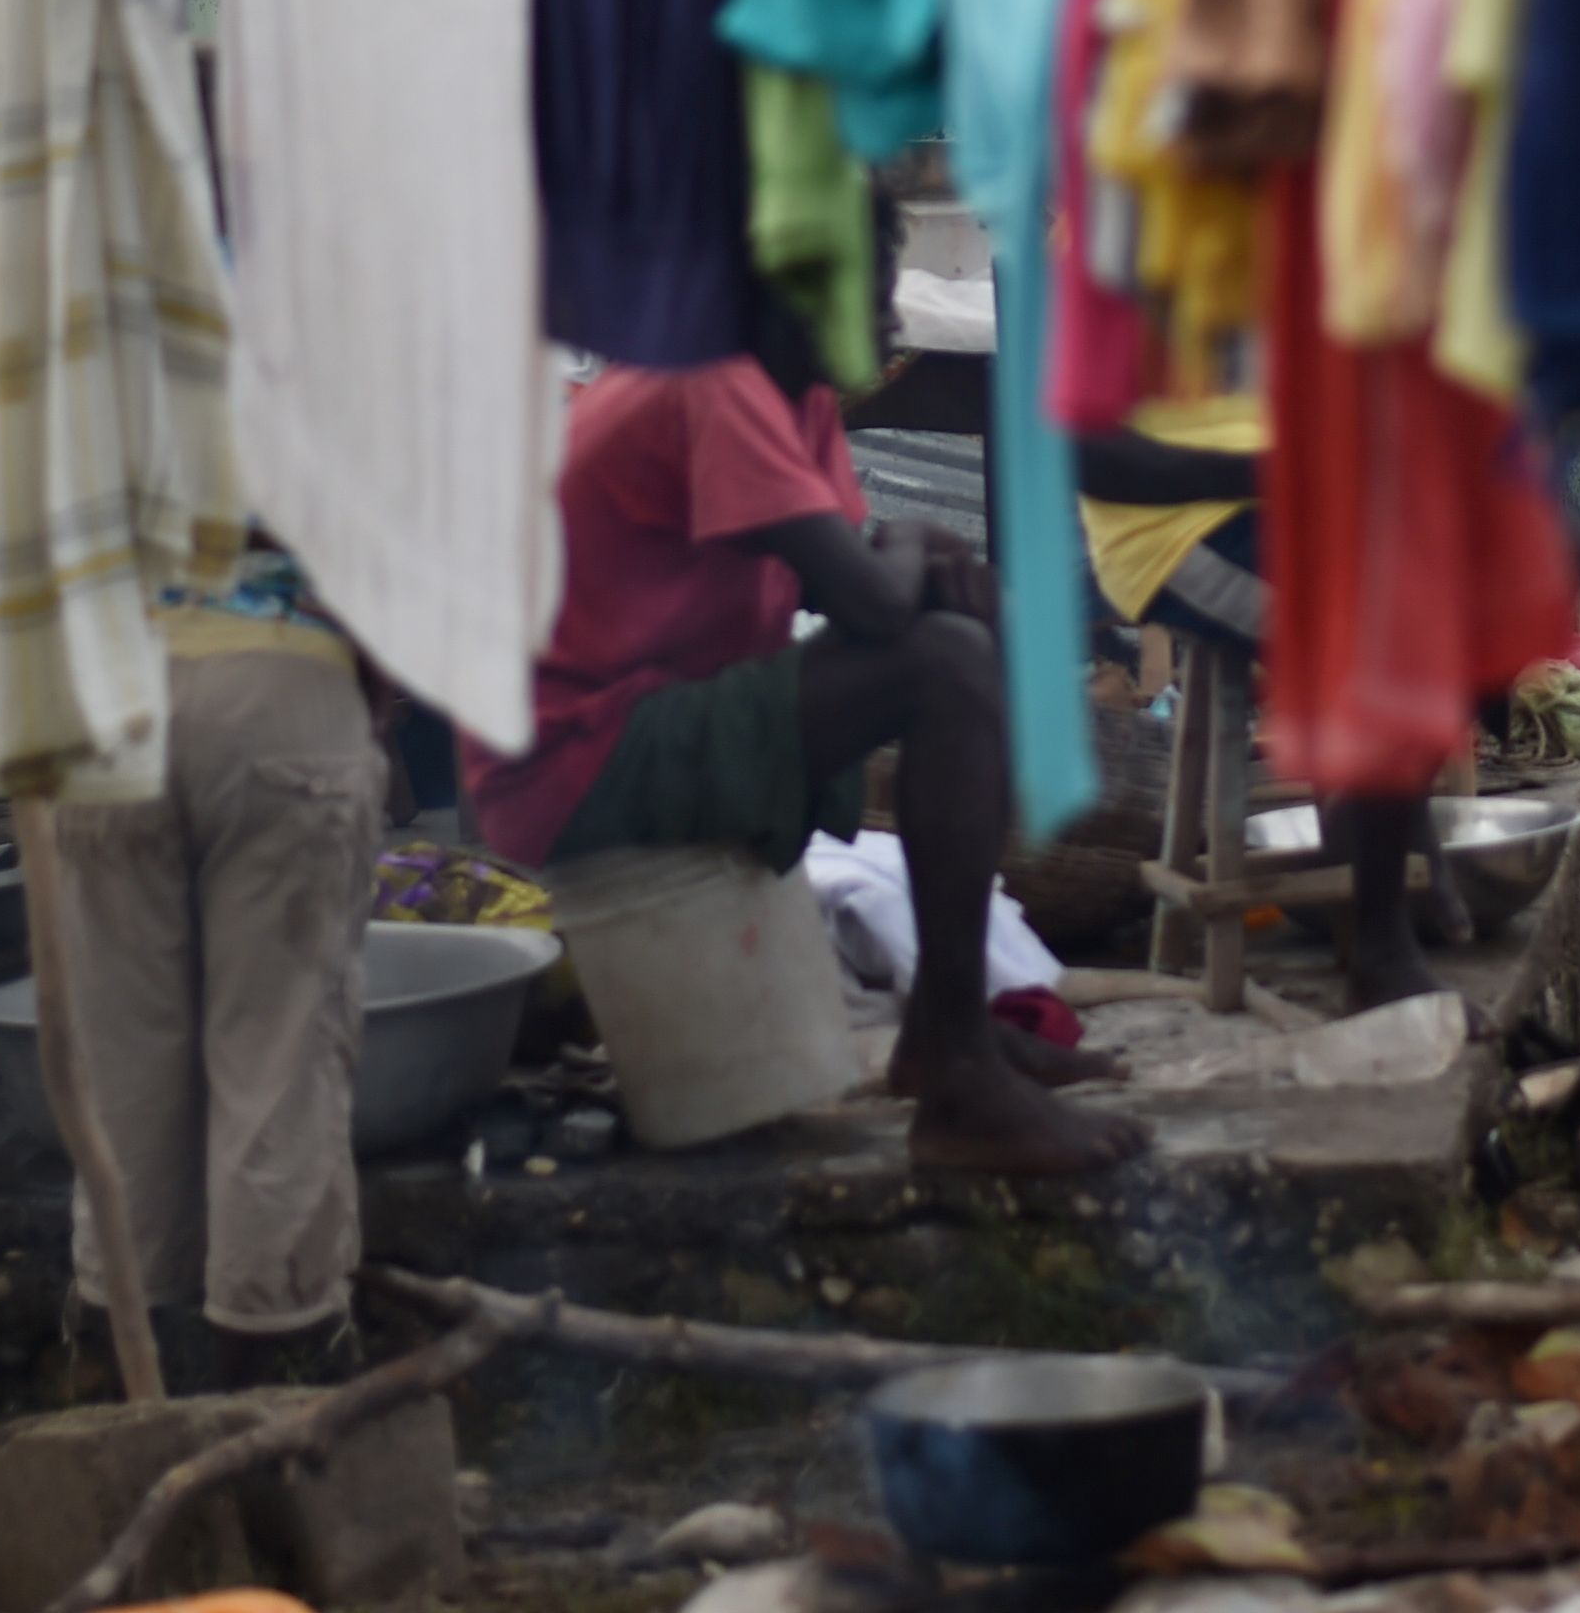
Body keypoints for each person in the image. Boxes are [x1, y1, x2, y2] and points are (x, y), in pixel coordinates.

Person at [0, 215, 385, 1391]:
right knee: (271, 1052)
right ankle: (275, 1385)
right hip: (272, 688)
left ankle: (121, 1378)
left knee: (123, 1063)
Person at [475, 324, 1145, 1177]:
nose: (886, 301)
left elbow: (845, 575)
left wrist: (923, 563)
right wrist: (911, 541)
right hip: (568, 761)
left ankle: (949, 1031)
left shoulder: (798, 394)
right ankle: (956, 1072)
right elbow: (872, 601)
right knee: (945, 663)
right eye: (875, 253)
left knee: (963, 635)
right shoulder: (714, 379)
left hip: (632, 730)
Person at [1074, 395, 1465, 1007]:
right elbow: (1094, 459)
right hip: (1173, 529)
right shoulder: (1106, 299)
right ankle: (1380, 944)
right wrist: (1273, 467)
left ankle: (1380, 834)